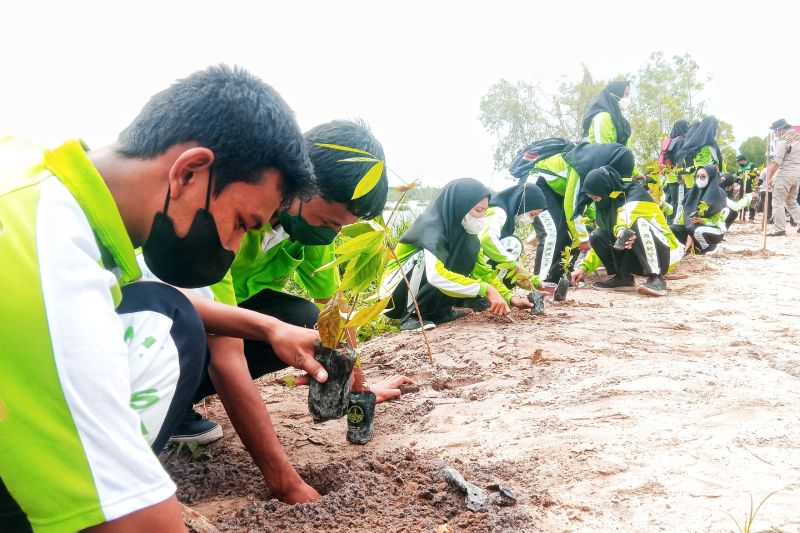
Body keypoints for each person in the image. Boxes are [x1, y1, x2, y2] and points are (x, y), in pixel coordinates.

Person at [0, 66, 314, 532]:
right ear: (189, 171)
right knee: (169, 328)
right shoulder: (44, 245)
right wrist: (129, 500)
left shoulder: (39, 182)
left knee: (169, 313)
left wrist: (269, 326)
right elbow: (139, 523)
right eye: (241, 224)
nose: (230, 250)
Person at [164, 120, 412, 504]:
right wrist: (284, 481)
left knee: (303, 318)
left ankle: (180, 405)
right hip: (174, 319)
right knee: (219, 340)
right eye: (329, 222)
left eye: (340, 228)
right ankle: (169, 407)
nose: (329, 235)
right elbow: (225, 349)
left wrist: (356, 387)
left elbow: (333, 313)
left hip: (232, 313)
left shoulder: (312, 230)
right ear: (301, 181)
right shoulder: (229, 218)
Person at [381, 178, 533, 331]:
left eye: (485, 211)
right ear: (460, 206)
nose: (482, 217)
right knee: (424, 259)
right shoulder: (431, 228)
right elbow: (435, 276)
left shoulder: (468, 237)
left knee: (467, 253)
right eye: (478, 210)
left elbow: (484, 274)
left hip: (422, 288)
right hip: (394, 292)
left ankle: (440, 312)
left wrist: (511, 298)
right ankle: (411, 315)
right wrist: (486, 289)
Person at [528, 142, 635, 283]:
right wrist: (583, 238)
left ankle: (557, 279)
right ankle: (540, 282)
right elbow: (572, 207)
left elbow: (585, 203)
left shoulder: (600, 168)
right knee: (552, 232)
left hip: (558, 191)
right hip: (540, 184)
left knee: (568, 232)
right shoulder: (581, 166)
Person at [571, 166, 683, 297]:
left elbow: (628, 215)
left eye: (596, 198)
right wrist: (583, 268)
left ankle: (656, 279)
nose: (596, 202)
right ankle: (623, 278)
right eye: (593, 199)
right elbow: (602, 242)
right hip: (639, 256)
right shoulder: (606, 207)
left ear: (606, 190)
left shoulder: (636, 194)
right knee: (597, 235)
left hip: (666, 252)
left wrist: (620, 229)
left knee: (637, 223)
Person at [478, 180, 548, 292]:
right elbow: (487, 239)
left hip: (478, 264)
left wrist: (535, 283)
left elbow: (513, 266)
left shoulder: (508, 219)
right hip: (473, 266)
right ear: (523, 203)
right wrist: (513, 265)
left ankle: (496, 290)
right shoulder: (499, 212)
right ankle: (487, 291)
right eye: (532, 214)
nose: (531, 220)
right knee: (513, 244)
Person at [671, 165, 731, 254]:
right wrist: (686, 230)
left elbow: (716, 220)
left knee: (694, 229)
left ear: (711, 177)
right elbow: (686, 214)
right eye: (697, 176)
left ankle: (710, 247)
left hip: (711, 229)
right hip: (693, 227)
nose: (699, 179)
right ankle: (689, 248)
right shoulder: (694, 191)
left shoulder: (718, 194)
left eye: (703, 177)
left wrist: (700, 221)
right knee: (673, 228)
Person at [765, 119, 800, 236]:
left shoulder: (783, 140)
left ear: (779, 129)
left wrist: (769, 177)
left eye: (775, 131)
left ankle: (779, 229)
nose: (775, 134)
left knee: (778, 202)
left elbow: (777, 162)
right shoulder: (798, 138)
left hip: (784, 174)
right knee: (791, 202)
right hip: (797, 175)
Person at [583, 81, 632, 146]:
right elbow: (603, 151)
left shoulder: (622, 122)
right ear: (616, 93)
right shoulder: (603, 117)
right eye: (626, 94)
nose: (628, 98)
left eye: (628, 95)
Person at [659, 119, 690, 213]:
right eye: (686, 126)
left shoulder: (668, 141)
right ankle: (675, 222)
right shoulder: (681, 140)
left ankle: (666, 220)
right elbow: (679, 160)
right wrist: (681, 175)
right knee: (678, 201)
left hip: (668, 176)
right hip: (677, 176)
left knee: (669, 200)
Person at [735, 154, 759, 222]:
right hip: (742, 188)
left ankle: (751, 218)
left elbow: (757, 175)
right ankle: (742, 217)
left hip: (751, 188)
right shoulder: (739, 169)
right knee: (742, 202)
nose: (738, 163)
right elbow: (737, 178)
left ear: (743, 160)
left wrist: (756, 185)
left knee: (752, 203)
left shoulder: (752, 166)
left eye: (739, 161)